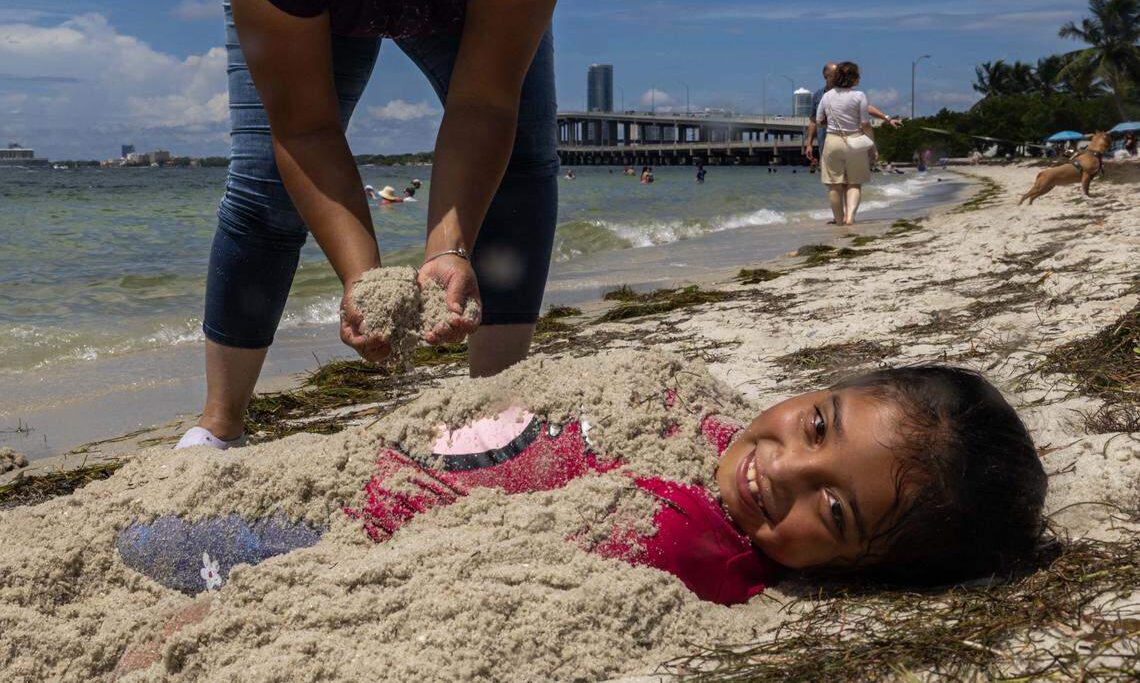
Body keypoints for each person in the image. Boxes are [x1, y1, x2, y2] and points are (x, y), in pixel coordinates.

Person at [178, 0, 577, 451]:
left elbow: (483, 102)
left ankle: (495, 409)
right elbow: (305, 128)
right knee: (267, 184)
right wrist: (364, 278)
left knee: (522, 156)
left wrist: (448, 249)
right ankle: (218, 426)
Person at [115, 363, 1046, 654]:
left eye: (833, 512)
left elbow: (463, 574)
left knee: (151, 541)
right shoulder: (721, 430)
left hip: (343, 541)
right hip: (375, 466)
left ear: (859, 570)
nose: (782, 470)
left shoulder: (692, 550)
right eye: (814, 423)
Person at [804, 62, 900, 168]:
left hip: (850, 143)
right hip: (827, 144)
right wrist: (809, 144)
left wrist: (887, 118)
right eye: (836, 73)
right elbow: (813, 121)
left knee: (844, 181)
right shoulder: (819, 96)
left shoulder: (850, 93)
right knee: (835, 181)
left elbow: (867, 108)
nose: (839, 75)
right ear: (826, 76)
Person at [815, 61, 875, 225]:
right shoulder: (859, 96)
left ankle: (839, 221)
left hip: (833, 141)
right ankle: (850, 218)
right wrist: (872, 147)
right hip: (854, 140)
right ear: (854, 78)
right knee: (854, 183)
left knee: (834, 185)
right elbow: (865, 124)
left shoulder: (827, 96)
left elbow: (819, 120)